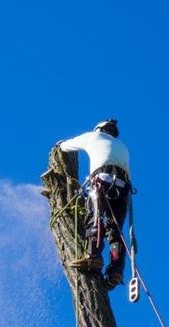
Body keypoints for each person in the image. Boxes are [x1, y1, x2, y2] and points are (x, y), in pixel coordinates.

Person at [57, 119, 133, 290]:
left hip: (102, 181)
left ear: (99, 129)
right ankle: (116, 271)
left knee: (95, 218)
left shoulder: (94, 136)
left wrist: (60, 145)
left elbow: (68, 145)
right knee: (115, 230)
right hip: (123, 188)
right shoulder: (123, 147)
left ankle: (93, 256)